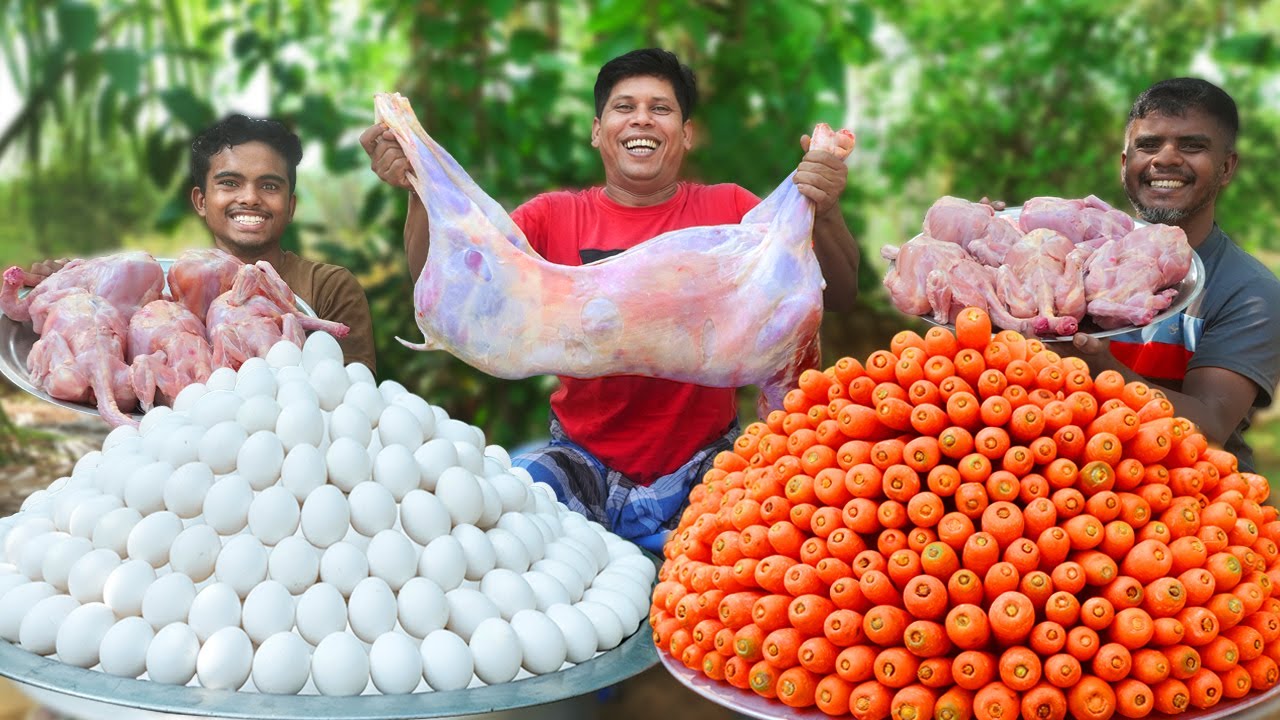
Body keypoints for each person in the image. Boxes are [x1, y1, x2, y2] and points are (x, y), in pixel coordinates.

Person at [361, 48, 859, 538]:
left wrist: (824, 207)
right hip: (578, 461)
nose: (642, 119)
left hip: (707, 462)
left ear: (686, 134)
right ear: (598, 131)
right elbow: (455, 290)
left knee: (762, 539)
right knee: (507, 520)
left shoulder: (732, 212)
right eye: (625, 107)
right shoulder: (552, 217)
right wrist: (419, 189)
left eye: (660, 108)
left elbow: (836, 294)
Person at [31, 114, 378, 372]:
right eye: (230, 183)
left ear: (291, 206)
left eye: (269, 186)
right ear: (200, 201)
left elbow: (351, 398)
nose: (250, 197)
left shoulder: (326, 287)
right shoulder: (157, 297)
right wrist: (57, 292)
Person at [1068, 77, 1280, 471]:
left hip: (1190, 493)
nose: (1165, 158)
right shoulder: (1072, 257)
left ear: (1226, 167)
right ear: (1125, 164)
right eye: (1148, 145)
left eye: (1192, 146)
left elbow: (1210, 427)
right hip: (1066, 476)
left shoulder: (1249, 291)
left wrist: (1101, 367)